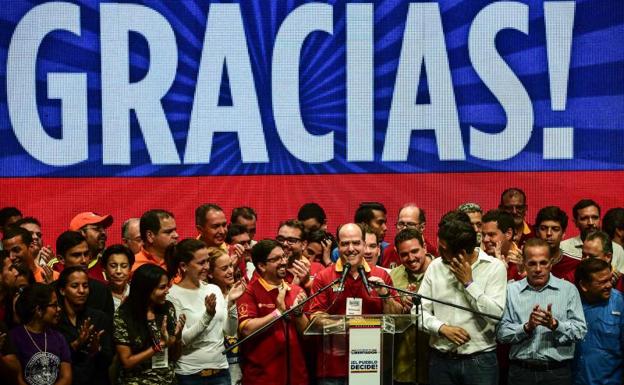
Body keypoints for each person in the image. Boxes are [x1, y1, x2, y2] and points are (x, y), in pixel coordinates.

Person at [309, 223, 403, 385]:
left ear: (364, 245)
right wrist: (349, 323)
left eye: (356, 243)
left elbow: (396, 317)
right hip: (333, 365)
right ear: (338, 246)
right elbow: (315, 317)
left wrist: (385, 295)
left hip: (368, 362)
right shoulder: (323, 277)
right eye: (345, 243)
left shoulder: (381, 275)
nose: (351, 248)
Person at [419, 217, 507, 385]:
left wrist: (469, 284)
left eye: (443, 249)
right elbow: (418, 312)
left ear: (462, 253)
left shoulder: (494, 268)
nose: (439, 251)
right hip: (441, 361)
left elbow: (495, 315)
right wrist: (441, 328)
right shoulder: (435, 266)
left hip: (480, 362)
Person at [497, 238, 586, 385]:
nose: (538, 269)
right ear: (524, 263)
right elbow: (501, 334)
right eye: (532, 263)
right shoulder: (511, 291)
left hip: (557, 373)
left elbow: (581, 331)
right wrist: (526, 328)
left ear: (551, 263)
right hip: (521, 373)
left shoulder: (568, 290)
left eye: (543, 262)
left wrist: (556, 325)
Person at [166, 239, 245, 385]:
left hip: (221, 372)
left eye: (208, 262)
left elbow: (230, 331)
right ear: (184, 266)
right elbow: (181, 340)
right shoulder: (172, 295)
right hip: (190, 375)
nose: (207, 267)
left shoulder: (213, 289)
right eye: (201, 263)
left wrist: (232, 303)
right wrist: (207, 316)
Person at [236, 239, 309, 385]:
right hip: (263, 378)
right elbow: (247, 330)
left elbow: (307, 335)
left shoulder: (296, 291)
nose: (283, 262)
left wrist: (299, 314)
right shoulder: (249, 292)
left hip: (297, 377)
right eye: (276, 259)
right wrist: (279, 311)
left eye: (283, 257)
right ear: (262, 266)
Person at [113, 264, 185, 385]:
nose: (167, 291)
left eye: (167, 286)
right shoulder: (124, 315)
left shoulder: (168, 308)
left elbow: (174, 357)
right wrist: (158, 346)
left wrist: (177, 338)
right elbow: (127, 362)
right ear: (146, 289)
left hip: (168, 381)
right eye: (162, 287)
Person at [55, 266, 113, 385]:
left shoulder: (99, 318)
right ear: (62, 290)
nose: (81, 290)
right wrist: (77, 344)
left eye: (85, 286)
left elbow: (110, 358)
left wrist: (97, 350)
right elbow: (52, 359)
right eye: (75, 286)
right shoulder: (55, 320)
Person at [390, 228, 433, 385]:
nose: (411, 258)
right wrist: (399, 304)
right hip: (403, 364)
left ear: (425, 247)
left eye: (415, 251)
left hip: (435, 364)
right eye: (404, 254)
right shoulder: (392, 276)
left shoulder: (441, 270)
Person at [573, 258, 623, 385]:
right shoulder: (571, 302)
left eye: (609, 279)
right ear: (584, 285)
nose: (609, 285)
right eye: (602, 282)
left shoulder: (620, 303)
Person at [10, 283, 72, 385]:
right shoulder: (15, 337)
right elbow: (17, 379)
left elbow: (66, 377)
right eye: (54, 305)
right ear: (39, 310)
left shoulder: (58, 338)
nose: (59, 309)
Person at [205, 247, 247, 385]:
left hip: (240, 367)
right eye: (224, 268)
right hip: (216, 368)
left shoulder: (241, 291)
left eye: (230, 266)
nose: (230, 271)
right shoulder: (207, 298)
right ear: (210, 273)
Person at [55, 231, 114, 320]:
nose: (84, 260)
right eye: (76, 255)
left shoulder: (102, 290)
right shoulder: (51, 292)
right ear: (61, 259)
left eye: (86, 254)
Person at [560, 199, 624, 272]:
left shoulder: (617, 249)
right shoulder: (563, 248)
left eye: (595, 217)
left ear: (600, 219)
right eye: (584, 218)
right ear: (575, 222)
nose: (590, 222)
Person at [381, 203, 434, 269]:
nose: (404, 229)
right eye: (401, 224)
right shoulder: (388, 251)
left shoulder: (433, 252)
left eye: (410, 224)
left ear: (422, 227)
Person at [68, 212, 114, 282]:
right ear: (80, 233)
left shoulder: (110, 265)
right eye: (97, 229)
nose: (103, 233)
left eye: (104, 228)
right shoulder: (57, 266)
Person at [101, 244, 134, 310]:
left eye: (124, 266)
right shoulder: (100, 296)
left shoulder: (136, 293)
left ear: (130, 268)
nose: (118, 271)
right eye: (113, 266)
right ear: (104, 269)